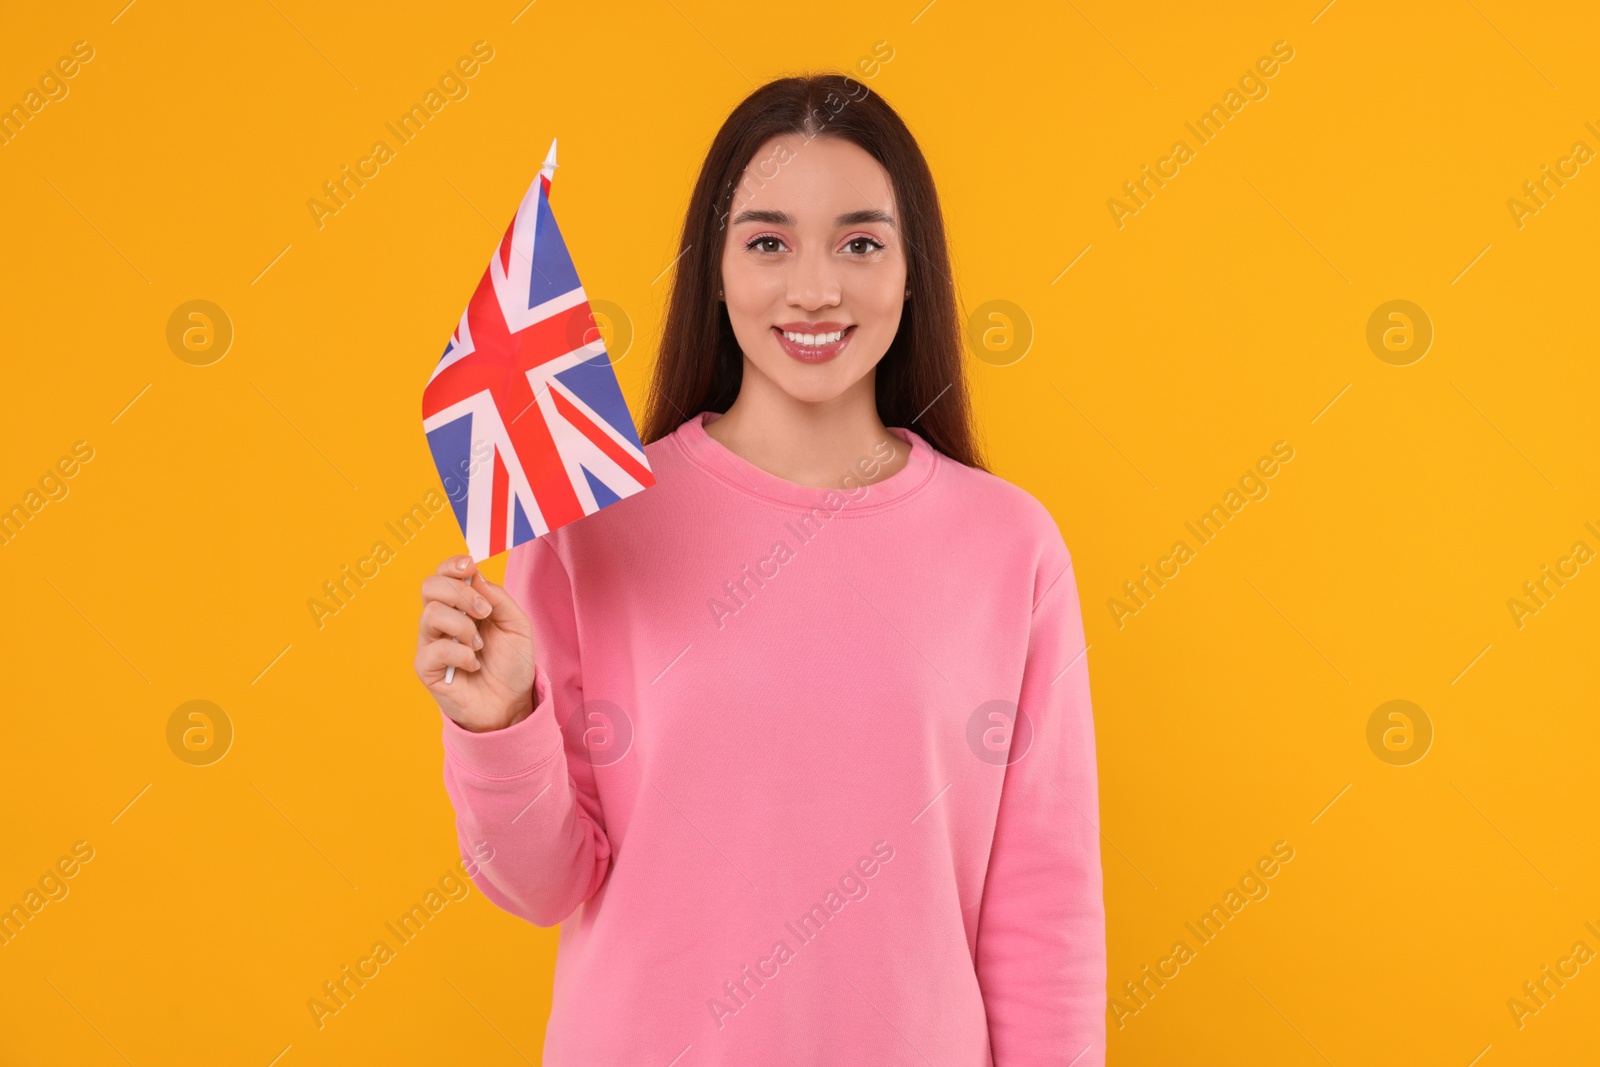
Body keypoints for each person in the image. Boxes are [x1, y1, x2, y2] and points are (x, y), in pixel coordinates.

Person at [414, 72, 1106, 1065]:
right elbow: (542, 883)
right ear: (716, 269)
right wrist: (497, 723)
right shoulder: (593, 520)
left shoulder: (1010, 546)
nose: (815, 288)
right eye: (768, 241)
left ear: (914, 272)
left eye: (859, 242)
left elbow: (1044, 911)